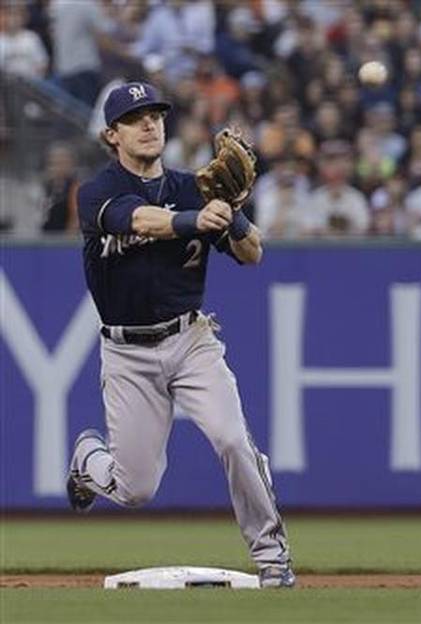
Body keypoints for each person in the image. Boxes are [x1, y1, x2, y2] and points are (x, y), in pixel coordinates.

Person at [65, 82, 294, 588]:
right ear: (111, 134)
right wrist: (198, 217)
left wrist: (231, 213)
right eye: (135, 118)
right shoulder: (98, 192)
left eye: (156, 115)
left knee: (234, 440)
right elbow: (143, 221)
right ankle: (88, 458)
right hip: (127, 352)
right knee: (136, 489)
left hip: (191, 340)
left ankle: (273, 558)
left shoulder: (196, 187)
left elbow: (253, 254)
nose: (149, 124)